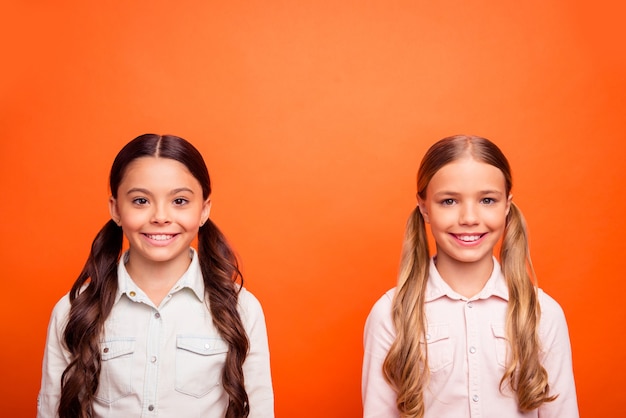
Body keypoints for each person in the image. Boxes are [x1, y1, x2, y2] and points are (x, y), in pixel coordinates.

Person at [37, 134, 274, 418]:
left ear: (204, 209)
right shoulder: (73, 311)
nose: (161, 216)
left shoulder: (242, 309)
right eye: (140, 200)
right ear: (115, 209)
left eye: (180, 201)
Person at [362, 135, 578, 417]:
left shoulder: (543, 313)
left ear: (507, 205)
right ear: (425, 207)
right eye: (449, 201)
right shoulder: (390, 315)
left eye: (487, 200)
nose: (469, 218)